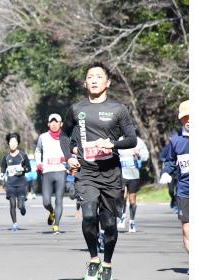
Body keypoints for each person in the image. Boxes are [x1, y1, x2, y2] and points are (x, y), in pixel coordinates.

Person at [59, 62, 137, 280]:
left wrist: (113, 145)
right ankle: (94, 259)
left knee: (110, 224)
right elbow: (64, 136)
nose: (93, 80)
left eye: (98, 76)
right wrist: (70, 158)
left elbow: (131, 139)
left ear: (108, 82)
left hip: (111, 173)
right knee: (89, 215)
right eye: (90, 77)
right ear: (85, 83)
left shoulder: (118, 109)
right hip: (87, 172)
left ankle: (108, 263)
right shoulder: (76, 109)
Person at [159, 100, 189, 264]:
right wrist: (166, 172)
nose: (189, 120)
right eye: (186, 117)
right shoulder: (176, 140)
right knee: (187, 230)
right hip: (185, 191)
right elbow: (170, 160)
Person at [35, 113, 68, 234]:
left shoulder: (65, 137)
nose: (54, 124)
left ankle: (57, 225)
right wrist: (39, 163)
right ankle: (52, 212)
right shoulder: (43, 137)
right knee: (46, 202)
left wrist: (68, 159)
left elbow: (72, 151)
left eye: (56, 122)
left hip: (61, 171)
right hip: (47, 171)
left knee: (59, 199)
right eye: (52, 122)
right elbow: (38, 151)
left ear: (61, 124)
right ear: (48, 124)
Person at [117, 136, 149, 232]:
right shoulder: (119, 140)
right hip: (121, 173)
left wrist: (138, 154)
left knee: (132, 199)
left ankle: (132, 221)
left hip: (134, 174)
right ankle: (122, 216)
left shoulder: (138, 141)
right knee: (121, 195)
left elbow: (145, 156)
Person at [1, 133, 32, 231]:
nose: (12, 144)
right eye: (10, 142)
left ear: (18, 143)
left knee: (20, 205)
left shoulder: (23, 155)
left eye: (14, 142)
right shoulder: (6, 157)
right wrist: (2, 174)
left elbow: (29, 168)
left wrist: (23, 169)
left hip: (21, 183)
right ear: (8, 143)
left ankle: (23, 207)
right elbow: (3, 168)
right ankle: (14, 223)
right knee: (12, 204)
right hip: (10, 183)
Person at [159, 142, 179, 213]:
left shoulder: (180, 146)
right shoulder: (167, 147)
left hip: (178, 172)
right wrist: (168, 160)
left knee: (178, 190)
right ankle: (173, 199)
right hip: (170, 172)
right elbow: (161, 157)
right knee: (171, 190)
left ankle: (177, 206)